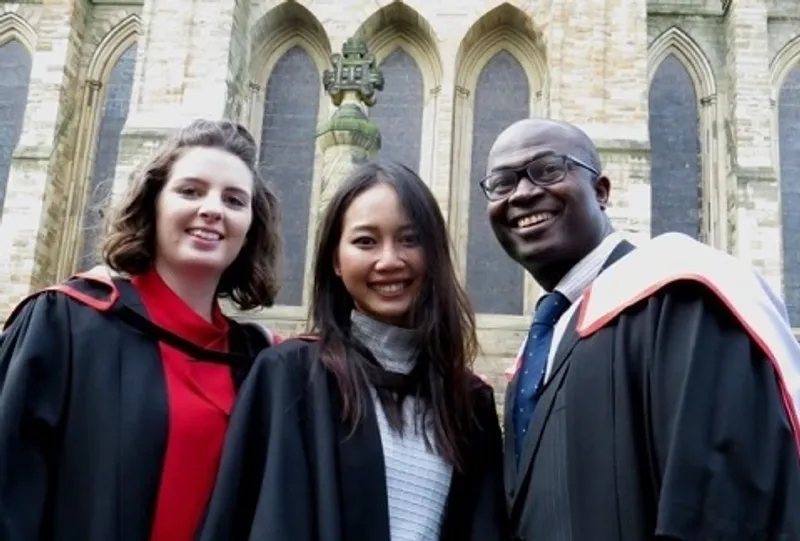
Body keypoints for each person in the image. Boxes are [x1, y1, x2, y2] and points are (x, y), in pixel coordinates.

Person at [485, 118, 800, 541]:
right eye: (502, 183)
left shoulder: (683, 296)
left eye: (547, 170)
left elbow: (720, 508)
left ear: (601, 192)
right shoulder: (543, 346)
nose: (522, 194)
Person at [0, 119, 283, 541]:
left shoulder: (261, 363)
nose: (212, 209)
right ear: (154, 204)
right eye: (190, 191)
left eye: (234, 200)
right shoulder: (68, 324)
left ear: (250, 227)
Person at [198, 161, 508, 541]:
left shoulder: (467, 404)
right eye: (365, 241)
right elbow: (239, 519)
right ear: (336, 261)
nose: (390, 260)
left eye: (410, 239)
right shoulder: (290, 376)